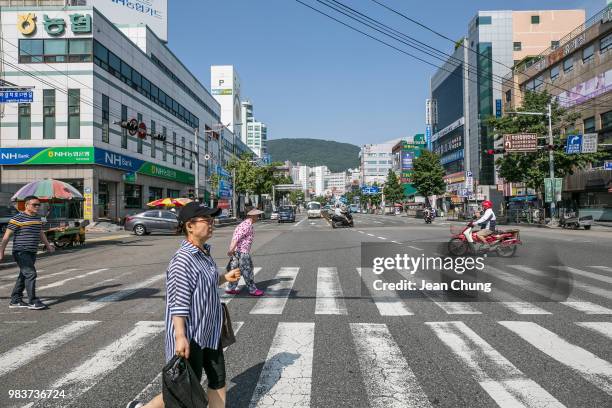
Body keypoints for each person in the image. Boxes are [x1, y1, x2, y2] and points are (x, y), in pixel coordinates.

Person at [127, 202, 241, 408]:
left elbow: (207, 282)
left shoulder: (204, 253)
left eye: (212, 220)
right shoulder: (182, 261)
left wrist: (225, 277)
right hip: (191, 336)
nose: (212, 224)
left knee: (218, 380)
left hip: (211, 331)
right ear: (190, 226)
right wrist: (180, 337)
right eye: (207, 220)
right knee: (185, 387)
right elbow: (178, 302)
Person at [0, 196, 54, 310]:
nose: (37, 207)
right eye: (35, 205)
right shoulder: (17, 218)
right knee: (30, 274)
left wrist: (48, 245)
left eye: (39, 205)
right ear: (27, 205)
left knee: (24, 275)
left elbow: (40, 233)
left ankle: (15, 300)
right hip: (20, 251)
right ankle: (33, 301)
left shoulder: (37, 218)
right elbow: (6, 236)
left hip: (32, 251)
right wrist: (1, 251)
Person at [224, 208, 265, 297]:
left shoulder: (246, 224)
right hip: (242, 252)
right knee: (248, 271)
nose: (258, 217)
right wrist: (230, 250)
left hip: (237, 252)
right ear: (252, 216)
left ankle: (231, 288)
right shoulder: (246, 225)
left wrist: (232, 251)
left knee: (236, 270)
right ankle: (252, 290)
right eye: (257, 215)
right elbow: (236, 238)